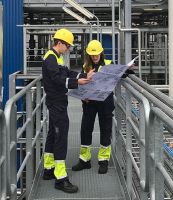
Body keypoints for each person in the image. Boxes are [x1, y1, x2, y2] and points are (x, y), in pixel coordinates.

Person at [42, 29, 95, 193]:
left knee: (52, 134)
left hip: (57, 102)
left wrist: (85, 75)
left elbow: (66, 73)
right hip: (57, 103)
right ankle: (60, 178)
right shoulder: (51, 58)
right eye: (68, 45)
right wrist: (77, 82)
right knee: (61, 139)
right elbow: (57, 79)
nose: (69, 48)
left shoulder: (56, 57)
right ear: (60, 43)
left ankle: (49, 169)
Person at [72, 40, 134, 174]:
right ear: (88, 55)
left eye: (97, 54)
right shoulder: (85, 66)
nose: (95, 57)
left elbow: (120, 75)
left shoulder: (109, 64)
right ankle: (84, 160)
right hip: (89, 103)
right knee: (85, 130)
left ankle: (103, 161)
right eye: (92, 54)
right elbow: (83, 83)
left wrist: (128, 70)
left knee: (105, 130)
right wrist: (83, 95)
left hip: (105, 102)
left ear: (101, 53)